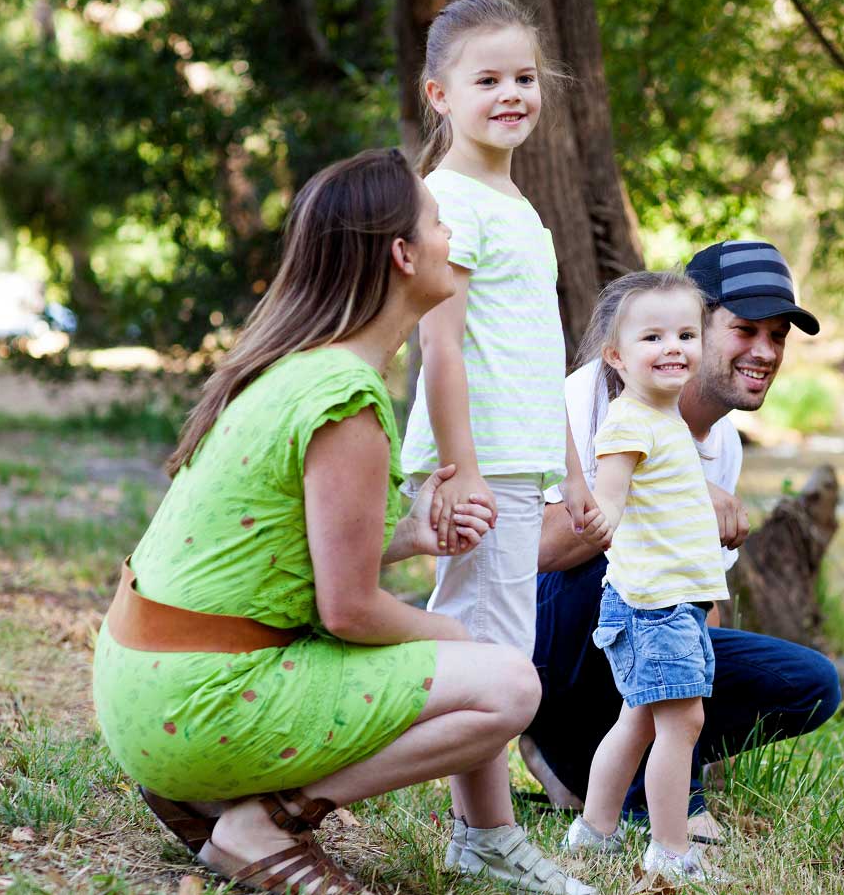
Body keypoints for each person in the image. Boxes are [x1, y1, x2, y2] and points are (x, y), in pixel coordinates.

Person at [90, 148, 551, 895]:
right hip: (197, 701)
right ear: (402, 255)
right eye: (438, 224)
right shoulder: (345, 396)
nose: (451, 240)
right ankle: (262, 821)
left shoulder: (295, 366)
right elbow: (347, 612)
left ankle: (219, 796)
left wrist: (407, 540)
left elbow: (284, 558)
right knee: (507, 684)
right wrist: (457, 636)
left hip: (146, 687)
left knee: (480, 661)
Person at [525, 241, 842, 844]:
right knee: (613, 576)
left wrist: (687, 723)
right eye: (746, 329)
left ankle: (630, 770)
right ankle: (561, 743)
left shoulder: (725, 443)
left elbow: (700, 595)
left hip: (641, 642)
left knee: (811, 684)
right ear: (694, 326)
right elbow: (537, 552)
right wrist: (679, 494)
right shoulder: (587, 399)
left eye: (778, 336)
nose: (766, 352)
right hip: (551, 641)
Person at [400, 0, 600, 892]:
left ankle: (482, 833)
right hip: (475, 460)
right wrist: (461, 466)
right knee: (492, 662)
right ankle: (484, 835)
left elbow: (532, 350)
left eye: (524, 78)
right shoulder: (449, 200)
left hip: (519, 462)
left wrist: (571, 469)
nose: (512, 94)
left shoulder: (512, 198)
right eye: (489, 80)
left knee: (493, 653)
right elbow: (439, 344)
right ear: (439, 94)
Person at [554, 271, 732, 882]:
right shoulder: (629, 422)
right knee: (682, 723)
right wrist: (593, 516)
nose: (673, 347)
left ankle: (595, 830)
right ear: (616, 357)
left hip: (670, 599)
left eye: (685, 333)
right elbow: (611, 498)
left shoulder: (666, 418)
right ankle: (670, 848)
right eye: (652, 337)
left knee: (636, 718)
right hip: (651, 602)